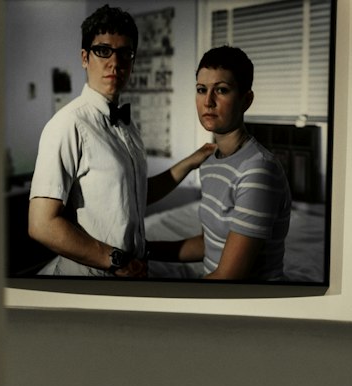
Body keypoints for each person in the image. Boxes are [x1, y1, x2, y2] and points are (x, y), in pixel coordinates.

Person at [28, 6, 214, 277]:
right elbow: (41, 224)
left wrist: (191, 162)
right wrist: (116, 260)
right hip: (88, 280)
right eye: (103, 50)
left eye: (124, 53)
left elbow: (136, 194)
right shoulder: (68, 124)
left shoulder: (128, 126)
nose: (115, 63)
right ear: (84, 58)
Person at [147, 46, 291, 281]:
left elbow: (227, 278)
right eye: (201, 90)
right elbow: (208, 244)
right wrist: (144, 250)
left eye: (221, 90)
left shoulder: (258, 171)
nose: (208, 101)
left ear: (246, 100)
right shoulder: (210, 162)